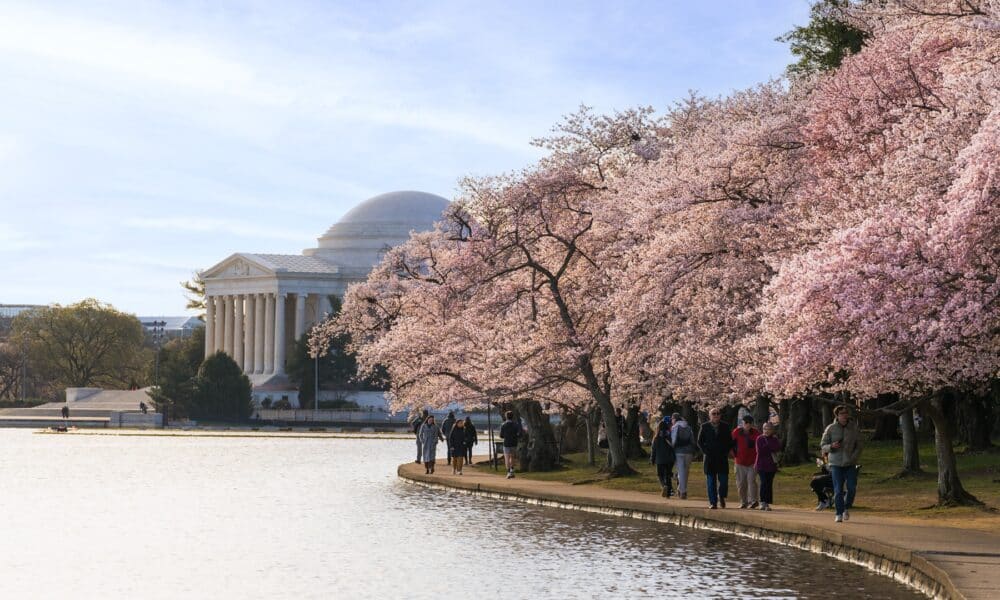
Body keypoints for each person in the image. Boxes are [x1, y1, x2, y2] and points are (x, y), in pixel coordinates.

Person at [821, 405, 863, 523]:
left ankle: (845, 507)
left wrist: (854, 457)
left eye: (846, 413)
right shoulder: (831, 428)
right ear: (837, 415)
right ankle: (839, 513)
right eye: (842, 413)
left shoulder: (854, 428)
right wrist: (831, 446)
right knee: (838, 489)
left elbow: (859, 445)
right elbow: (823, 446)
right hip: (835, 463)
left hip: (850, 463)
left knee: (851, 488)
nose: (844, 415)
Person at [697, 407, 735, 509]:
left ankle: (721, 496)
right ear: (710, 416)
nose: (716, 415)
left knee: (723, 481)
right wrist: (706, 452)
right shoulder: (704, 426)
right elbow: (700, 441)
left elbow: (730, 441)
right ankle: (713, 502)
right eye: (714, 413)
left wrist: (726, 451)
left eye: (718, 413)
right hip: (710, 458)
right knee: (710, 482)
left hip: (722, 457)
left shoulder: (725, 426)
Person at [731, 415, 761, 509]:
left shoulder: (756, 433)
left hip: (752, 462)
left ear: (752, 424)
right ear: (742, 423)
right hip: (740, 462)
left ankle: (753, 501)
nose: (747, 425)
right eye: (746, 423)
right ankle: (743, 501)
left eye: (749, 423)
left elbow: (759, 446)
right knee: (741, 483)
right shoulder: (736, 432)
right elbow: (731, 444)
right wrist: (735, 455)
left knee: (751, 481)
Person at [755, 421, 781, 511]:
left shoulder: (774, 439)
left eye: (768, 429)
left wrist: (768, 447)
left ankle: (767, 503)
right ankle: (762, 502)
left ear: (772, 430)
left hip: (771, 466)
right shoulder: (759, 438)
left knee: (769, 484)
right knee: (763, 483)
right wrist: (769, 448)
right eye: (765, 428)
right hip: (761, 465)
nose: (766, 430)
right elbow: (760, 451)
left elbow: (777, 448)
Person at [670, 412, 695, 499]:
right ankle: (681, 489)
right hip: (689, 452)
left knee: (681, 471)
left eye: (672, 419)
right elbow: (692, 440)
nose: (671, 421)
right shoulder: (688, 427)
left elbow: (673, 440)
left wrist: (671, 449)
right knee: (686, 471)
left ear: (675, 419)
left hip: (679, 452)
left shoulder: (675, 427)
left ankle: (683, 491)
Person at [649, 419, 676, 498]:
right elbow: (673, 447)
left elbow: (654, 450)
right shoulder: (669, 436)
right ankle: (669, 492)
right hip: (669, 459)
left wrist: (652, 459)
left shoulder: (656, 438)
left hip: (660, 459)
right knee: (667, 475)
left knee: (660, 475)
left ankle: (664, 486)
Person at [499, 411, 523, 479]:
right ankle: (512, 470)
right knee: (512, 457)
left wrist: (506, 435)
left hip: (506, 443)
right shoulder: (516, 425)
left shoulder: (503, 425)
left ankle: (508, 472)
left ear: (506, 417)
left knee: (507, 458)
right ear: (512, 417)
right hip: (514, 442)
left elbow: (501, 436)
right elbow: (519, 434)